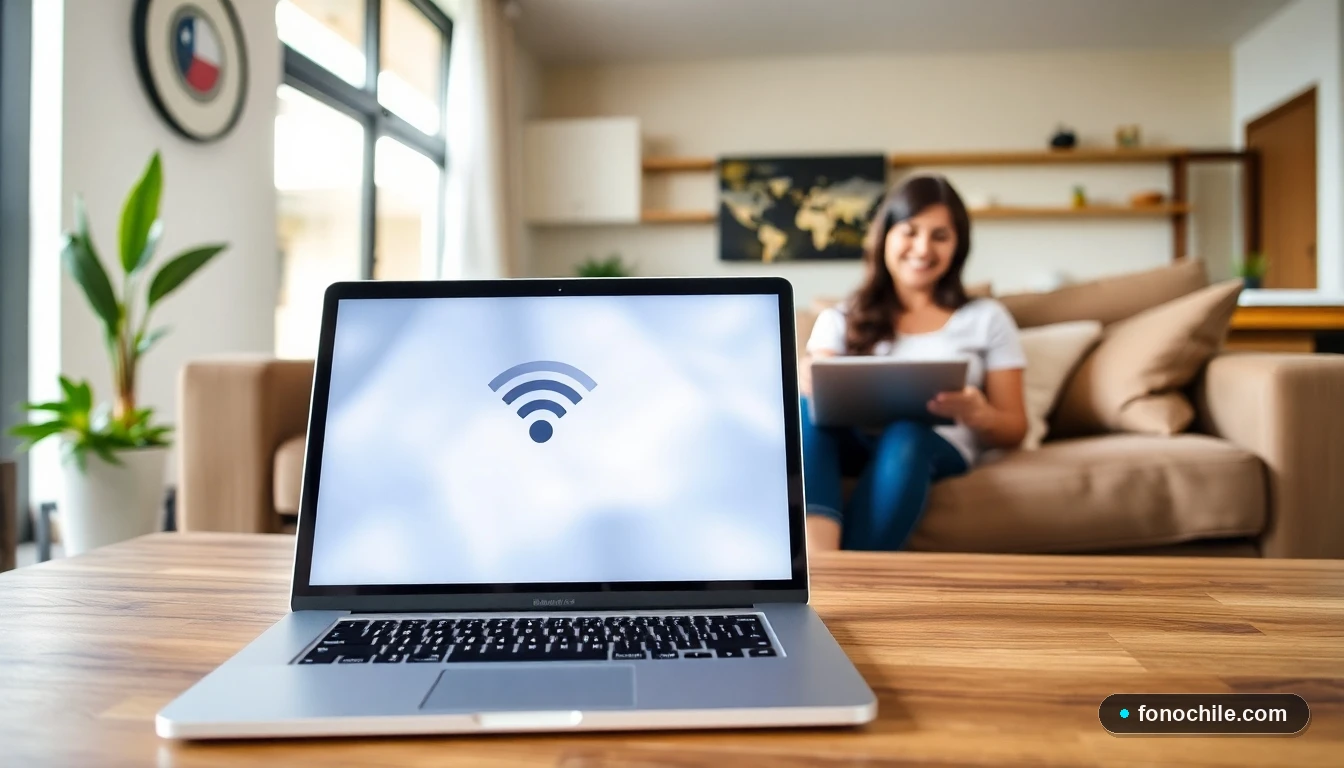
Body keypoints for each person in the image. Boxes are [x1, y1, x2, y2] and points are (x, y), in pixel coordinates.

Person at [800, 175, 1027, 552]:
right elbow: (815, 398)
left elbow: (1014, 428)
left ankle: (849, 575)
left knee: (906, 432)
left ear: (958, 246)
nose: (923, 248)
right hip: (854, 441)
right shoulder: (840, 318)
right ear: (885, 237)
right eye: (910, 231)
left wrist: (980, 414)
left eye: (940, 236)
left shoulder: (987, 317)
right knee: (804, 407)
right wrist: (809, 378)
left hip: (931, 446)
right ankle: (818, 557)